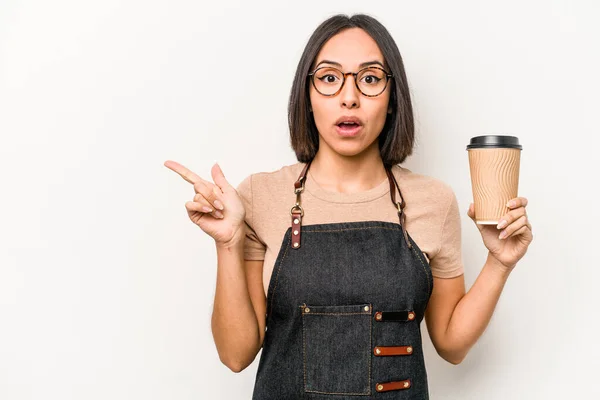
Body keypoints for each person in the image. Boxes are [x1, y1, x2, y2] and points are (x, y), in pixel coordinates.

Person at [164, 13, 533, 400]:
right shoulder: (260, 195)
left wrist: (500, 262)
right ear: (307, 95)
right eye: (329, 78)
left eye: (370, 78)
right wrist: (227, 241)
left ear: (392, 99)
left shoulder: (434, 202)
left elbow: (452, 345)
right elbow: (235, 354)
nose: (349, 96)